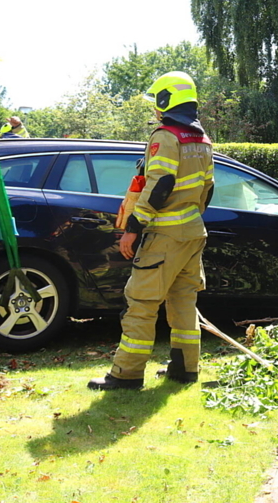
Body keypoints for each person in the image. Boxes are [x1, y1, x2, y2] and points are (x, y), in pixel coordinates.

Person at [88, 71, 214, 391]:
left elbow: (160, 185)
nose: (154, 111)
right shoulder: (201, 140)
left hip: (165, 234)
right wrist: (190, 219)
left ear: (165, 101)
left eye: (156, 103)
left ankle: (126, 374)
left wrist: (133, 228)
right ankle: (185, 369)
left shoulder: (165, 136)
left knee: (141, 302)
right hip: (193, 232)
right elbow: (207, 189)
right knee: (183, 301)